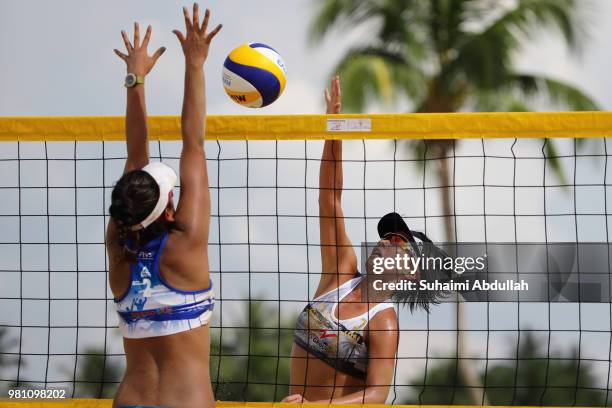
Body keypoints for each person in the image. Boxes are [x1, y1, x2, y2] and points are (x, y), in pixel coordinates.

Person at [283, 76, 446, 404]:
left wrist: (314, 407)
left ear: (411, 272)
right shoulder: (340, 274)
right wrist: (335, 126)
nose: (385, 242)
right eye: (386, 237)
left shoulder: (383, 321)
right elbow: (329, 198)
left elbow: (376, 396)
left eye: (398, 242)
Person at [106, 4, 221, 407]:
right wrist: (196, 62)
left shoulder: (118, 249)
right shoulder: (185, 245)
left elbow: (135, 157)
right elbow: (194, 141)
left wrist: (135, 78)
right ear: (170, 211)